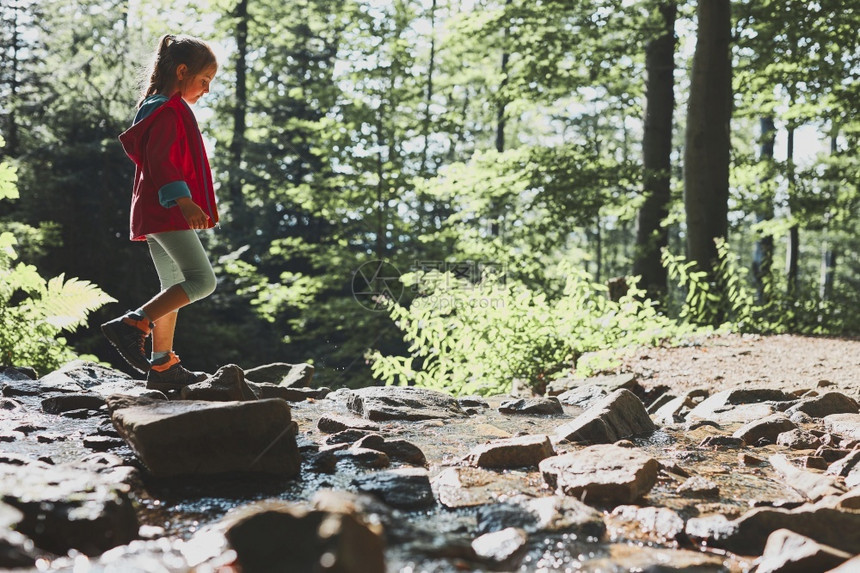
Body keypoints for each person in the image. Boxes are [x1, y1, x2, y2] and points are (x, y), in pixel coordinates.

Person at [101, 34, 219, 392]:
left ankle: (162, 364)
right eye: (204, 81)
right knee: (202, 281)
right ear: (182, 71)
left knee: (172, 286)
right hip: (166, 209)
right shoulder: (165, 109)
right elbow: (160, 159)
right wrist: (182, 200)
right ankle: (134, 323)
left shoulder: (162, 106)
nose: (207, 90)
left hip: (157, 211)